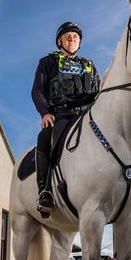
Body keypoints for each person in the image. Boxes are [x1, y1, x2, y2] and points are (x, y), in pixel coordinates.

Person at [31, 22, 101, 217]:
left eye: (76, 37)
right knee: (44, 139)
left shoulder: (89, 65)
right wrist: (45, 112)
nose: (72, 39)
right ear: (59, 41)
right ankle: (44, 192)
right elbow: (37, 90)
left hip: (88, 115)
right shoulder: (48, 62)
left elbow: (99, 92)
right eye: (68, 36)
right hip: (62, 115)